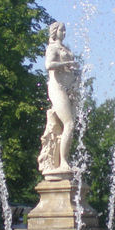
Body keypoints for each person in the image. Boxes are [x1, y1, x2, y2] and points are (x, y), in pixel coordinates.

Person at [38, 21, 80, 175]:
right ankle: (63, 162)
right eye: (62, 30)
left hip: (69, 90)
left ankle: (59, 160)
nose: (64, 33)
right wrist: (67, 63)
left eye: (65, 30)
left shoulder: (65, 48)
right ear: (54, 32)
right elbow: (48, 65)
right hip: (58, 89)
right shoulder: (53, 48)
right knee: (69, 123)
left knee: (66, 126)